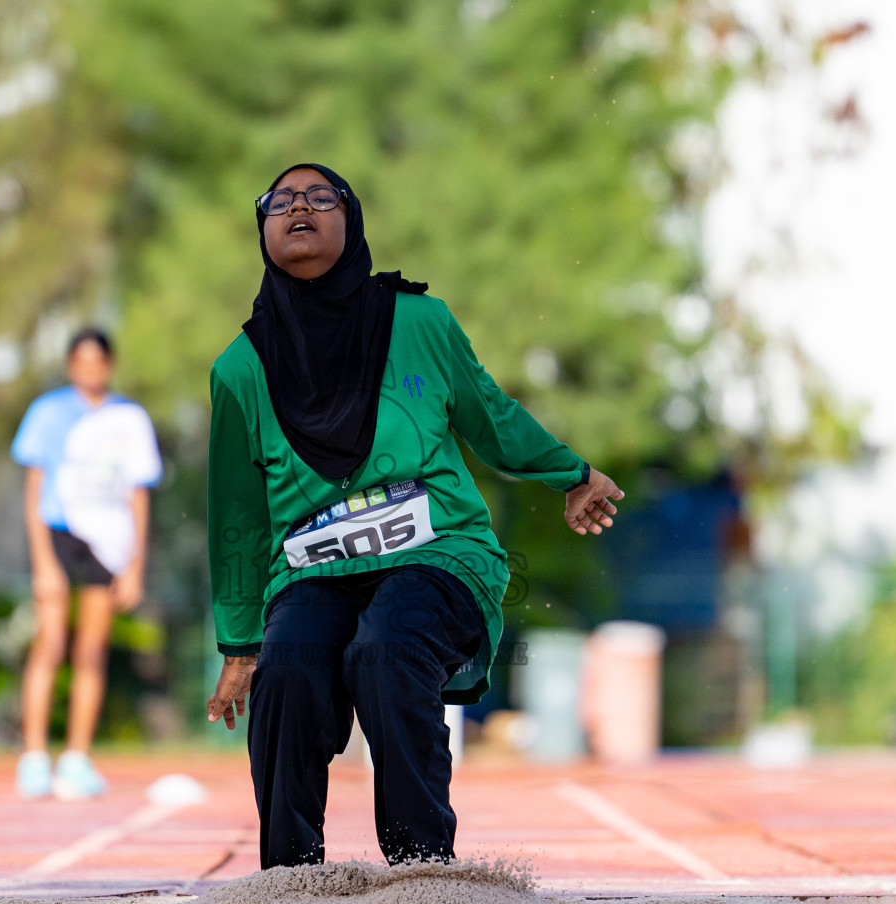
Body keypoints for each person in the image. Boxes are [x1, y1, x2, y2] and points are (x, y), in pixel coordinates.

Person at [205, 163, 623, 868]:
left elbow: (488, 414)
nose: (298, 206)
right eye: (281, 200)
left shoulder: (421, 323)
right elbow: (236, 517)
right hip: (314, 573)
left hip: (439, 556)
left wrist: (571, 474)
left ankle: (422, 867)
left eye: (318, 196)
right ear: (262, 229)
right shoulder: (238, 370)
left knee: (387, 648)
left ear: (353, 218)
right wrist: (240, 645)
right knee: (289, 673)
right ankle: (287, 877)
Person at [10, 327, 161, 799]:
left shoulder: (129, 419)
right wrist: (43, 563)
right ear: (71, 364)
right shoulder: (48, 412)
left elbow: (139, 495)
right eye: (81, 360)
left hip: (108, 542)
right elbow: (34, 490)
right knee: (51, 639)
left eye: (99, 360)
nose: (90, 369)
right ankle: (34, 757)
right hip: (59, 533)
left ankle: (76, 759)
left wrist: (135, 564)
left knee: (91, 650)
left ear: (109, 365)